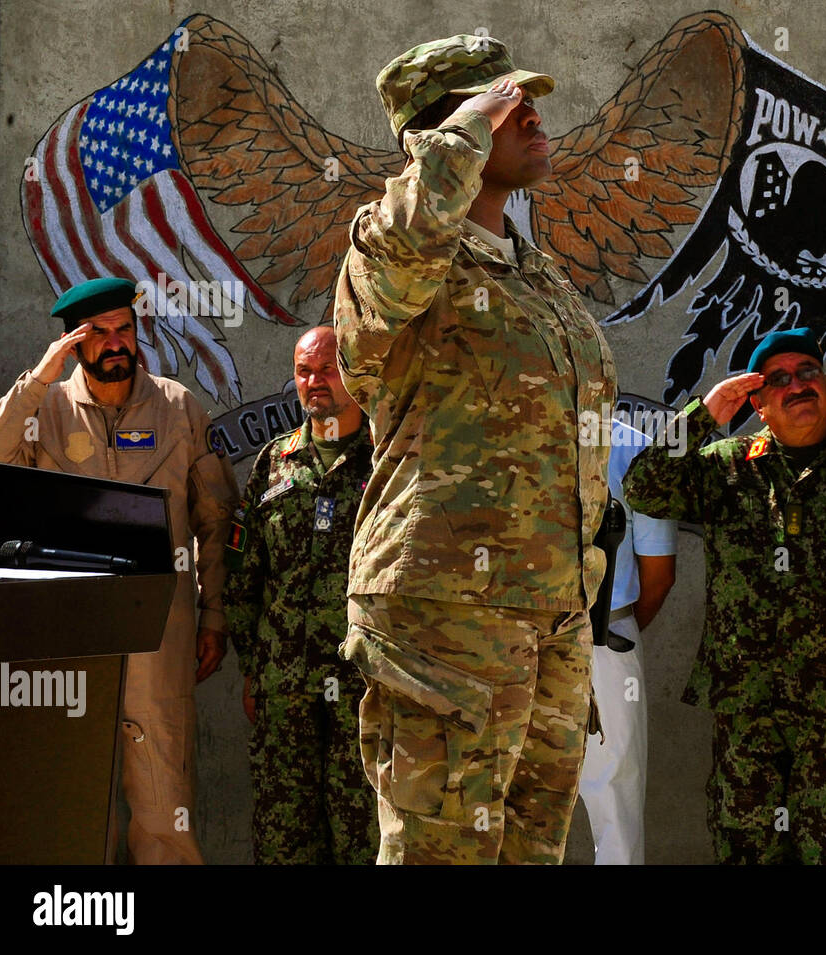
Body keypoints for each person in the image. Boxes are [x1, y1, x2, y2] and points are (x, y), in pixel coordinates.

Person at [332, 36, 617, 864]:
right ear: (440, 133)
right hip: (444, 613)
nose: (530, 114)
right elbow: (402, 248)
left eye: (526, 100)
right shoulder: (393, 252)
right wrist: (461, 136)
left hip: (550, 613)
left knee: (530, 853)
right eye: (503, 104)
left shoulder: (538, 274)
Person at [623, 327, 826, 864]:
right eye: (779, 380)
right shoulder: (726, 465)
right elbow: (644, 487)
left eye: (808, 373)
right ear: (760, 403)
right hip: (747, 707)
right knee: (747, 848)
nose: (798, 386)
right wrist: (705, 414)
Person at [0, 276, 237, 864]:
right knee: (76, 795)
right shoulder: (41, 407)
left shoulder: (178, 407)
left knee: (163, 797)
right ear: (72, 342)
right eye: (97, 334)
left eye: (124, 328)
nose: (115, 343)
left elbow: (214, 519)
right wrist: (38, 380)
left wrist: (214, 614)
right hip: (69, 635)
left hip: (160, 635)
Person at [223, 326, 379, 864]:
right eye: (304, 371)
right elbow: (244, 578)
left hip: (363, 698)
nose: (315, 382)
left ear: (354, 371)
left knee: (364, 842)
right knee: (284, 842)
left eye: (328, 369)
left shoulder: (387, 463)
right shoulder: (273, 464)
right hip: (283, 694)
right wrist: (253, 669)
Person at [578, 417, 677, 864]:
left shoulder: (631, 446)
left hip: (605, 637)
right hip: (510, 640)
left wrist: (615, 624)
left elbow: (658, 572)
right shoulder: (492, 429)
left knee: (614, 794)